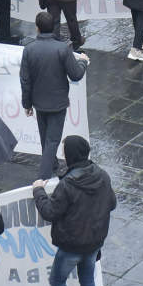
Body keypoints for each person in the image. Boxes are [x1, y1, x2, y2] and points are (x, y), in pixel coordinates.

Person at [33, 135, 116, 286]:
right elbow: (112, 204)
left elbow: (50, 212)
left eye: (64, 154)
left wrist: (38, 190)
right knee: (87, 280)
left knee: (57, 282)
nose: (63, 157)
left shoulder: (67, 184)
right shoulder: (103, 176)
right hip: (94, 242)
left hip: (72, 245)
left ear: (71, 155)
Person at [20, 11, 89, 180]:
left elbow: (25, 80)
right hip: (57, 103)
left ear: (37, 28)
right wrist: (83, 61)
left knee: (46, 140)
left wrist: (27, 104)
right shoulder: (62, 49)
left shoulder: (29, 50)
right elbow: (76, 75)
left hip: (39, 102)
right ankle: (43, 178)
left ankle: (53, 166)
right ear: (53, 28)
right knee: (52, 141)